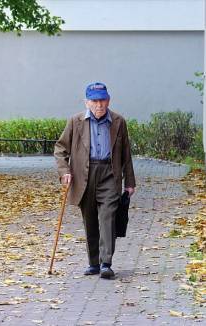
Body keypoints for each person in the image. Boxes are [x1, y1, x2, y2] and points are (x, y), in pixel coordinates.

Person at [54, 82, 136, 279]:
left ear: (108, 100)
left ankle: (106, 263)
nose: (99, 105)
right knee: (90, 219)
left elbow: (126, 153)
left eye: (103, 100)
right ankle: (93, 263)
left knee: (108, 217)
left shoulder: (118, 121)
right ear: (87, 102)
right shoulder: (76, 121)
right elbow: (60, 148)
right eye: (95, 100)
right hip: (84, 175)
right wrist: (64, 171)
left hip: (109, 173)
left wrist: (130, 182)